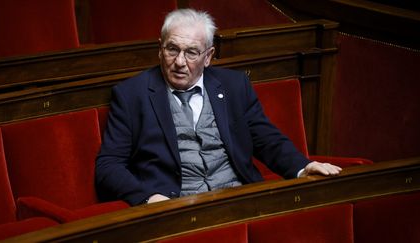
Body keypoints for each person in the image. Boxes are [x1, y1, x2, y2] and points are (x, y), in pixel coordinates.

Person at [95, 8, 341, 206]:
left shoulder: (234, 85)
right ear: (160, 49)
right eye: (172, 49)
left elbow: (266, 139)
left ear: (209, 56)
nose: (179, 62)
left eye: (191, 52)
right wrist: (148, 198)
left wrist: (302, 166)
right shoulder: (131, 94)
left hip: (239, 199)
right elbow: (108, 166)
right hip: (176, 207)